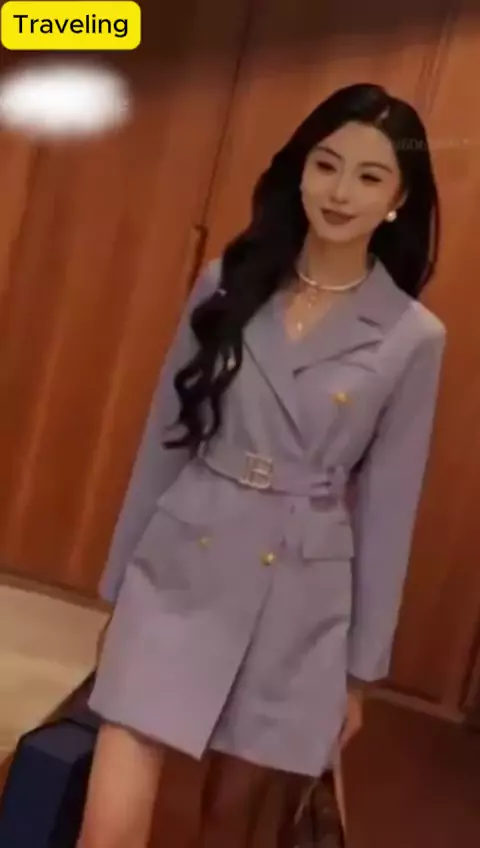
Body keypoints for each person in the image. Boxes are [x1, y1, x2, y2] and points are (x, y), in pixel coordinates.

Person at [77, 82, 446, 847]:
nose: (340, 192)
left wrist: (357, 674)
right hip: (181, 565)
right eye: (326, 164)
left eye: (369, 176)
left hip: (299, 601)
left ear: (399, 199)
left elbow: (389, 512)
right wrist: (117, 597)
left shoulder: (413, 337)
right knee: (105, 826)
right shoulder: (228, 281)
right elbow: (164, 441)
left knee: (231, 827)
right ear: (299, 168)